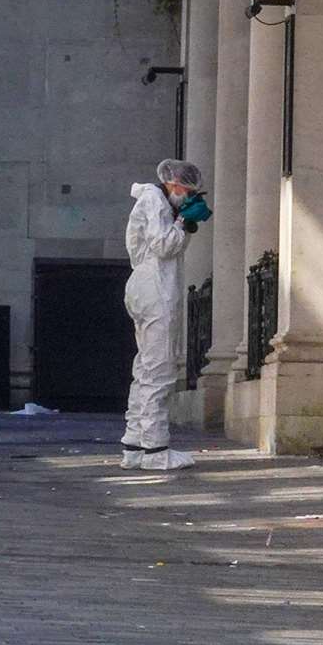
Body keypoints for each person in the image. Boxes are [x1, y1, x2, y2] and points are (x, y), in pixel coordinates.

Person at [119, 159, 203, 472]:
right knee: (160, 368)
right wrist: (182, 223)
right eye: (186, 190)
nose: (186, 195)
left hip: (145, 285)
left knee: (145, 368)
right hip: (155, 288)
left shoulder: (153, 200)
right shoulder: (155, 200)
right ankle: (155, 449)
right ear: (174, 183)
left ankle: (135, 445)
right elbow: (164, 245)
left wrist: (181, 222)